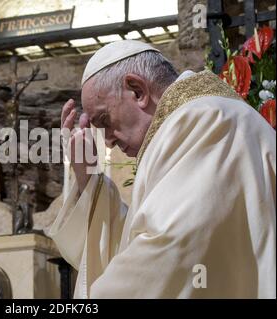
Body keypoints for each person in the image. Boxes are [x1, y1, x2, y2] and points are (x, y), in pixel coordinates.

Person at [48, 40, 276, 298]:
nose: (107, 140)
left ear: (137, 91)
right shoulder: (194, 121)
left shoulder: (207, 121)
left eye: (104, 120)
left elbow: (173, 250)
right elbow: (140, 239)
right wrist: (88, 179)